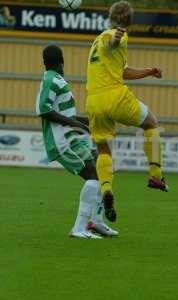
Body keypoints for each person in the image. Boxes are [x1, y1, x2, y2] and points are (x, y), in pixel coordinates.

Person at [86, 0, 169, 223]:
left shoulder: (96, 40)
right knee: (151, 122)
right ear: (130, 21)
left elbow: (121, 70)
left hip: (93, 101)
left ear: (110, 15)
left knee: (103, 149)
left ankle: (106, 190)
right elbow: (112, 43)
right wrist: (116, 37)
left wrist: (149, 71)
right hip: (115, 97)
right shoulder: (114, 35)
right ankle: (156, 175)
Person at [36, 45, 119, 239]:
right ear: (62, 61)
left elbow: (67, 114)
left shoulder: (56, 80)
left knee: (101, 167)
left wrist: (89, 123)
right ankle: (79, 228)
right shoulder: (50, 80)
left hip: (71, 138)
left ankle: (96, 222)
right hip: (61, 141)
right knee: (92, 174)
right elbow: (44, 110)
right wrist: (77, 124)